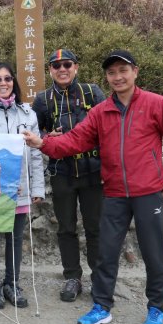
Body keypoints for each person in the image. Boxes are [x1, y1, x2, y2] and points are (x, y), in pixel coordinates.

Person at [24, 49, 163, 324]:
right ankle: (102, 306)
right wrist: (43, 144)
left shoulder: (156, 104)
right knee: (106, 252)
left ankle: (156, 308)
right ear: (107, 77)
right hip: (114, 193)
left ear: (135, 72)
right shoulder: (101, 112)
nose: (117, 77)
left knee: (154, 253)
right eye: (112, 73)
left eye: (123, 71)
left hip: (149, 193)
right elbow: (74, 141)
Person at [31, 49, 105, 302]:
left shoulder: (91, 92)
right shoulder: (42, 100)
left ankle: (100, 278)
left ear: (76, 67)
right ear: (50, 70)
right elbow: (33, 134)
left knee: (96, 228)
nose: (62, 69)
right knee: (66, 228)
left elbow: (108, 126)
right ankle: (72, 277)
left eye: (67, 64)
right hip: (61, 171)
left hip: (93, 171)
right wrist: (46, 138)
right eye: (56, 65)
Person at [0, 62, 44, 309]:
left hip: (20, 187)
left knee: (15, 237)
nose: (3, 83)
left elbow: (35, 154)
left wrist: (37, 187)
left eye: (7, 79)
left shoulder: (28, 114)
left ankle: (12, 282)